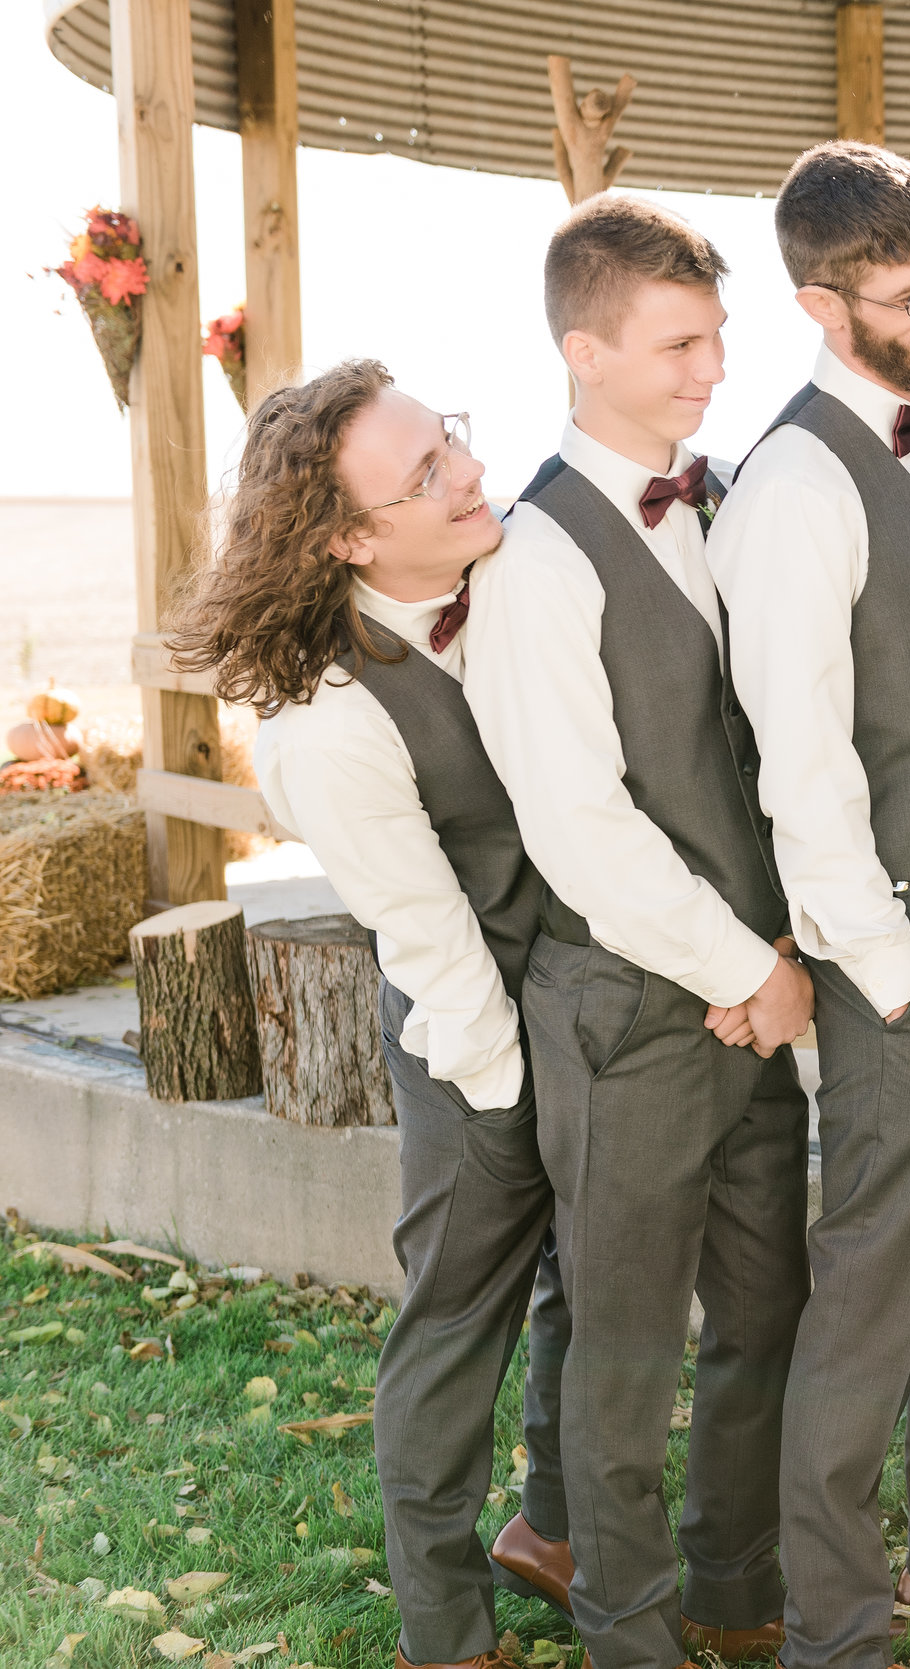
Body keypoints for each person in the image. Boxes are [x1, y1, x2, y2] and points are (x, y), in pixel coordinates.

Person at [168, 361, 570, 1669]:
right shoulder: (324, 720)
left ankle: (552, 1528)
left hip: (581, 1011)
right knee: (457, 1326)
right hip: (476, 1047)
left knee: (583, 1285)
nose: (465, 473)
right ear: (348, 536)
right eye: (425, 473)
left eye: (451, 439)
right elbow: (433, 939)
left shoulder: (504, 586)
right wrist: (513, 1110)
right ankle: (445, 1630)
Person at [463, 195, 810, 1669]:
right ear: (583, 350)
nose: (713, 365)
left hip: (747, 992)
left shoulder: (720, 499)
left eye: (720, 334)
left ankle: (735, 1588)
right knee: (620, 1333)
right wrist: (752, 971)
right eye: (679, 342)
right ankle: (621, 1613)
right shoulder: (536, 561)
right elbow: (584, 830)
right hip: (628, 1002)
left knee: (761, 1299)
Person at [707, 140, 910, 1661]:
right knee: (877, 1281)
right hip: (898, 927)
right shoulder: (791, 482)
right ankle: (832, 1615)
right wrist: (876, 961)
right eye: (907, 291)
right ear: (826, 310)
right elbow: (797, 748)